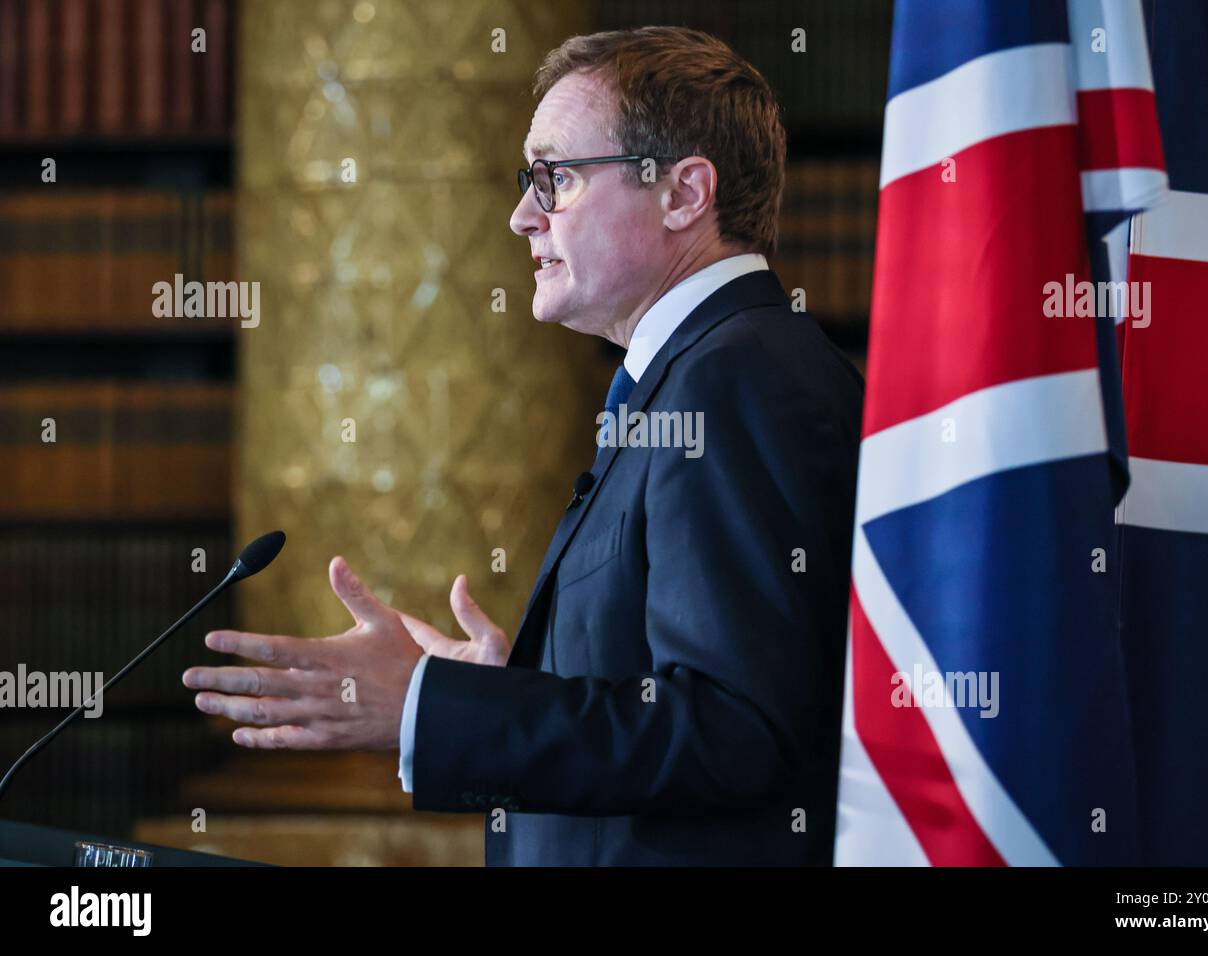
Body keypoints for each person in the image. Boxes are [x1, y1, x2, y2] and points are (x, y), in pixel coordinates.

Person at [183, 25, 863, 866]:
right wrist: (508, 695)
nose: (521, 216)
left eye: (557, 178)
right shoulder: (698, 374)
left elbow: (734, 730)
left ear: (684, 193)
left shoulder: (738, 379)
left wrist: (431, 707)